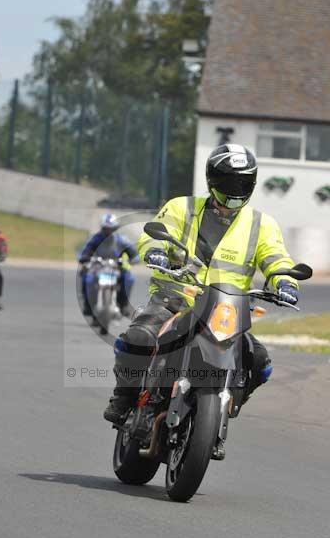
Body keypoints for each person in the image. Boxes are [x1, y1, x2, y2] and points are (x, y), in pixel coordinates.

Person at [103, 144, 300, 457]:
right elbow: (156, 232)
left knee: (260, 363)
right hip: (175, 299)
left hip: (226, 309)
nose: (235, 191)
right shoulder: (183, 208)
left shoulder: (263, 225)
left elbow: (276, 258)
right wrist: (155, 250)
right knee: (138, 337)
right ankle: (124, 397)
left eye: (242, 183)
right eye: (228, 183)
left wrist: (285, 282)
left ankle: (224, 407)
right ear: (212, 181)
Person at [78, 213, 139, 318]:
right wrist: (84, 258)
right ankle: (87, 305)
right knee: (87, 277)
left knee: (129, 278)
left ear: (116, 228)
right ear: (102, 228)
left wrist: (133, 259)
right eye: (106, 229)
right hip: (97, 266)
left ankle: (123, 304)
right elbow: (85, 251)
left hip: (116, 267)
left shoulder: (122, 240)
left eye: (111, 229)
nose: (109, 232)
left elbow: (133, 253)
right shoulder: (95, 239)